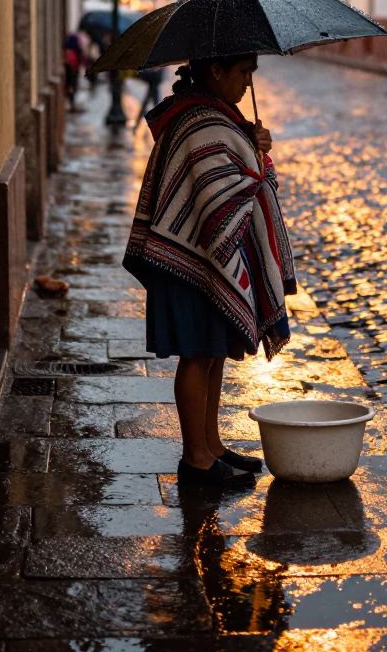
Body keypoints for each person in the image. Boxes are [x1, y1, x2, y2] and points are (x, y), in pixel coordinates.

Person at [123, 53, 296, 486]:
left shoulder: (217, 115)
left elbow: (245, 180)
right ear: (216, 70)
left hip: (204, 254)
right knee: (197, 354)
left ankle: (212, 444)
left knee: (213, 351)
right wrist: (252, 164)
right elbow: (218, 196)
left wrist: (256, 152)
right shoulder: (199, 121)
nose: (248, 83)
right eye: (243, 72)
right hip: (191, 258)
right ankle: (195, 459)